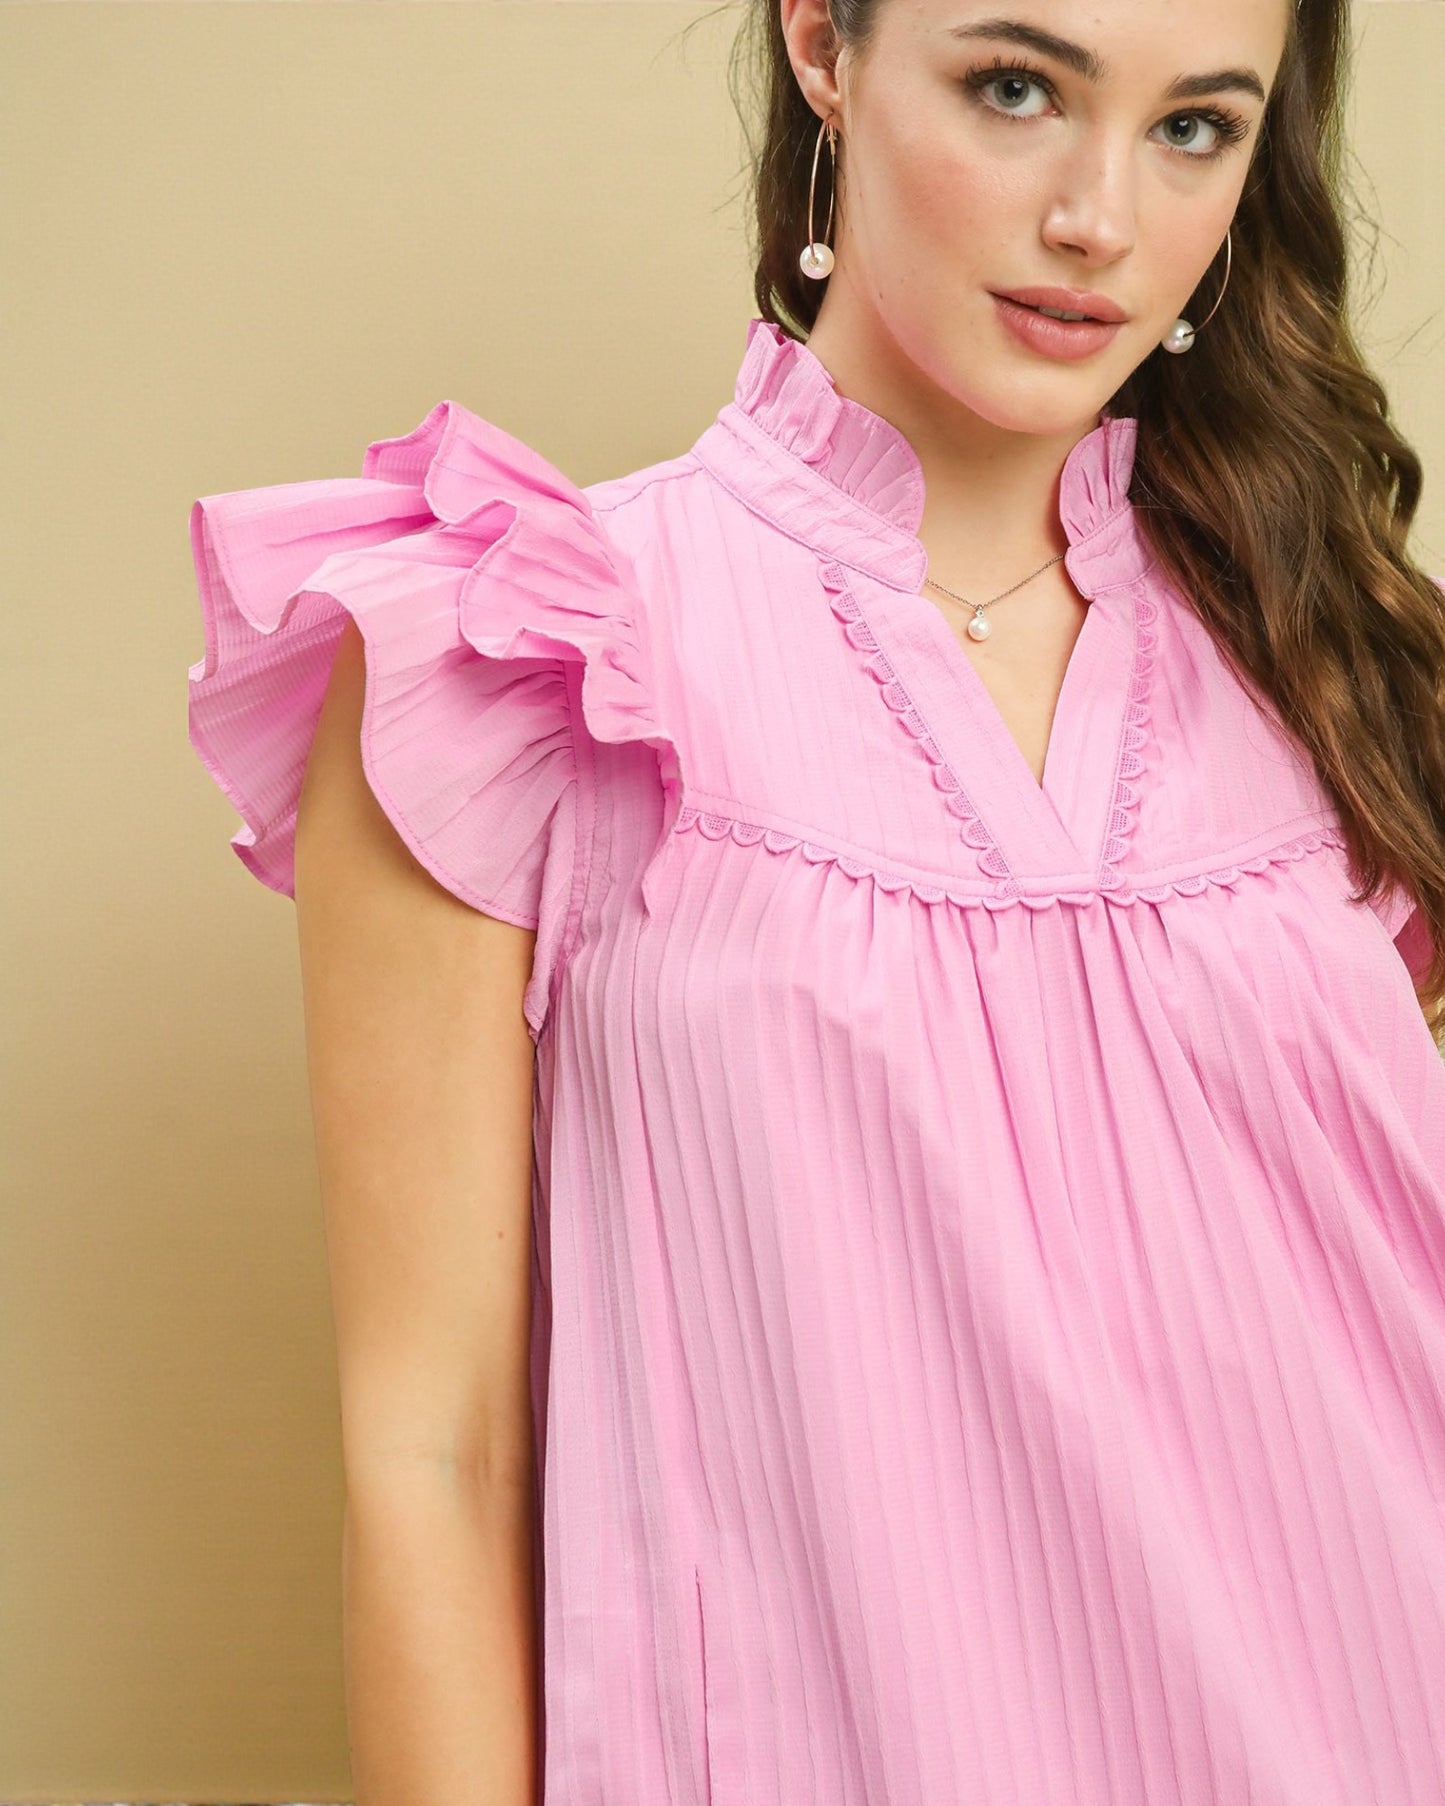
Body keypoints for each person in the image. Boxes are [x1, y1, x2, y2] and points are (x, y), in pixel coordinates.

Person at [185, 0, 1445, 1799]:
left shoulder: (1337, 667)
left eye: (1193, 128)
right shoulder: (520, 646)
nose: (1098, 214)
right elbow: (432, 1455)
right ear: (823, 49)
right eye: (1016, 88)